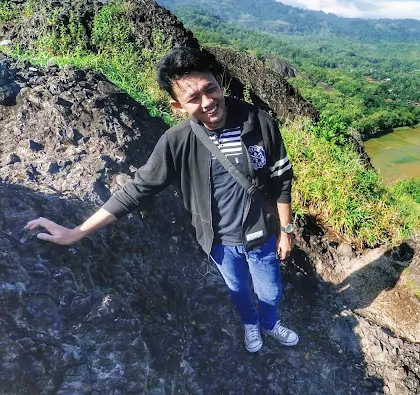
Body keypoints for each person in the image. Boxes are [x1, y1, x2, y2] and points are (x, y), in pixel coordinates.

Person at [24, 47, 299, 353]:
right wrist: (77, 232)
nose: (208, 102)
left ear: (219, 82)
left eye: (211, 89)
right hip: (219, 241)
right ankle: (250, 323)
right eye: (193, 98)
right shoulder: (178, 141)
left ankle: (270, 323)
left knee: (270, 290)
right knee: (237, 290)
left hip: (261, 233)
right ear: (177, 105)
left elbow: (281, 179)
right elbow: (137, 189)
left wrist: (285, 231)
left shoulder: (259, 122)